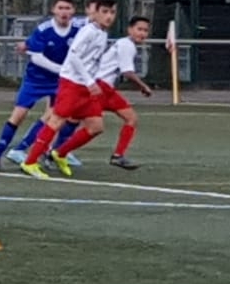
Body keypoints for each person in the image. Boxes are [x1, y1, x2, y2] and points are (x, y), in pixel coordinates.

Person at [18, 0, 117, 179]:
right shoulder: (88, 31)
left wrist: (95, 80)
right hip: (72, 84)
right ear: (94, 13)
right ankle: (30, 162)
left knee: (96, 126)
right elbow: (73, 56)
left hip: (86, 86)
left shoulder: (102, 33)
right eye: (104, 12)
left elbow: (92, 61)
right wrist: (89, 81)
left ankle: (60, 153)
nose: (109, 16)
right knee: (56, 121)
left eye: (112, 12)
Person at [47, 13, 155, 171]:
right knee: (84, 123)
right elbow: (127, 71)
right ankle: (55, 152)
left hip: (103, 87)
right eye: (139, 29)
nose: (142, 33)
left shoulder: (124, 43)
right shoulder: (127, 45)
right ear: (130, 29)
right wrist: (143, 86)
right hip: (100, 87)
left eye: (145, 30)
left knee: (125, 119)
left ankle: (57, 152)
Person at [0, 0, 80, 171]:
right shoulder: (44, 29)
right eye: (60, 8)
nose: (64, 12)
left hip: (59, 81)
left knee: (56, 117)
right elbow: (36, 57)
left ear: (73, 11)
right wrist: (62, 69)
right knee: (18, 115)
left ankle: (42, 151)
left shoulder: (79, 29)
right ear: (53, 10)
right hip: (35, 79)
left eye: (68, 8)